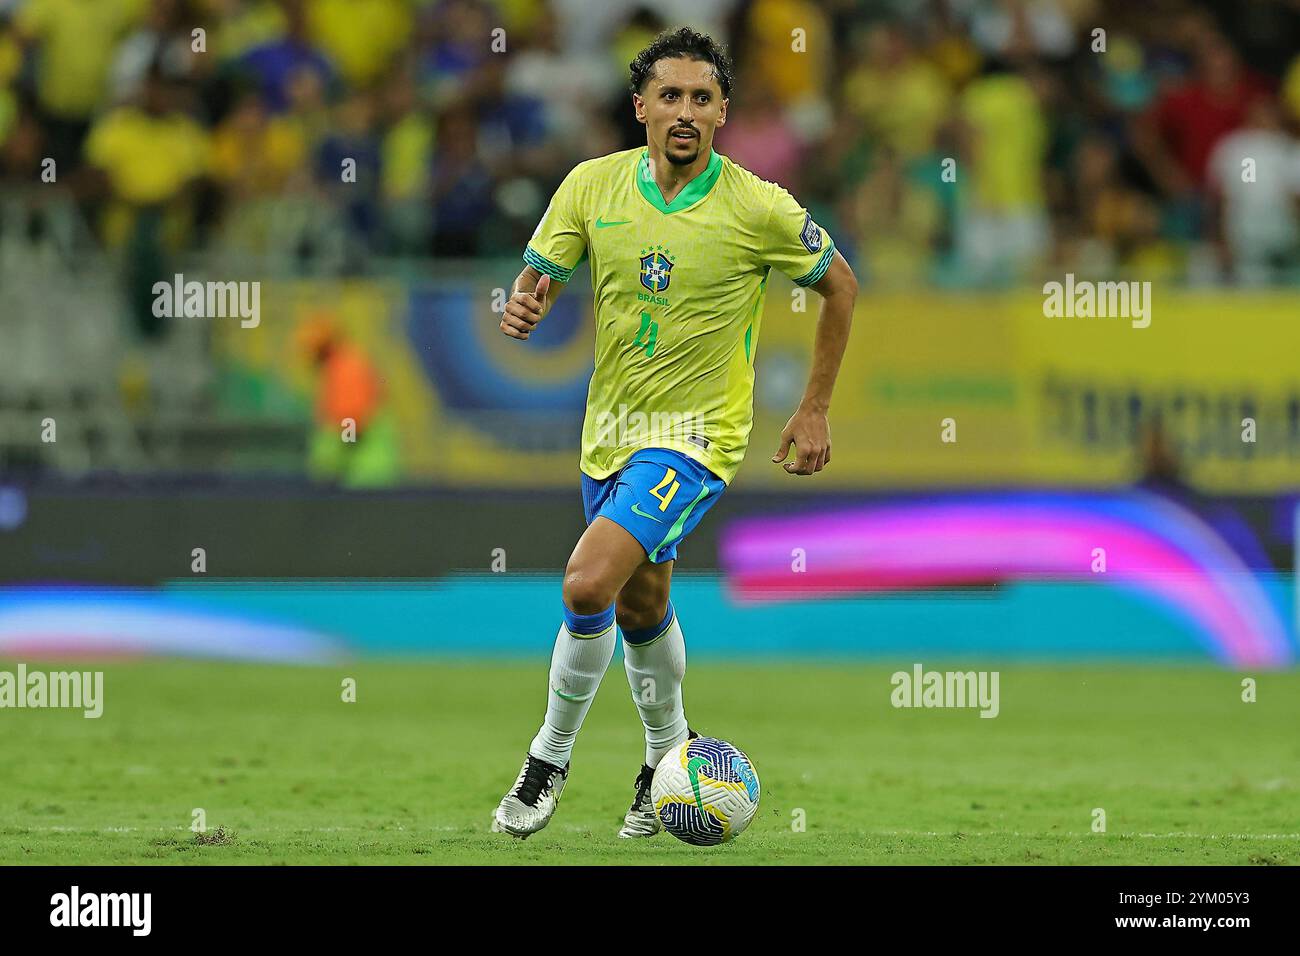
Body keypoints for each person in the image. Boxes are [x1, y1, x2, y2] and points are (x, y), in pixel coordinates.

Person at [491, 27, 857, 839]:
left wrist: (815, 407)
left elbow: (840, 286)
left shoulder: (759, 206)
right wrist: (523, 301)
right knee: (640, 604)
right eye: (669, 96)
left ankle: (548, 760)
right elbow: (541, 273)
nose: (684, 111)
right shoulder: (591, 187)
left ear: (723, 112)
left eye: (701, 98)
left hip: (695, 438)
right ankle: (668, 758)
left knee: (588, 582)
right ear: (640, 108)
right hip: (608, 433)